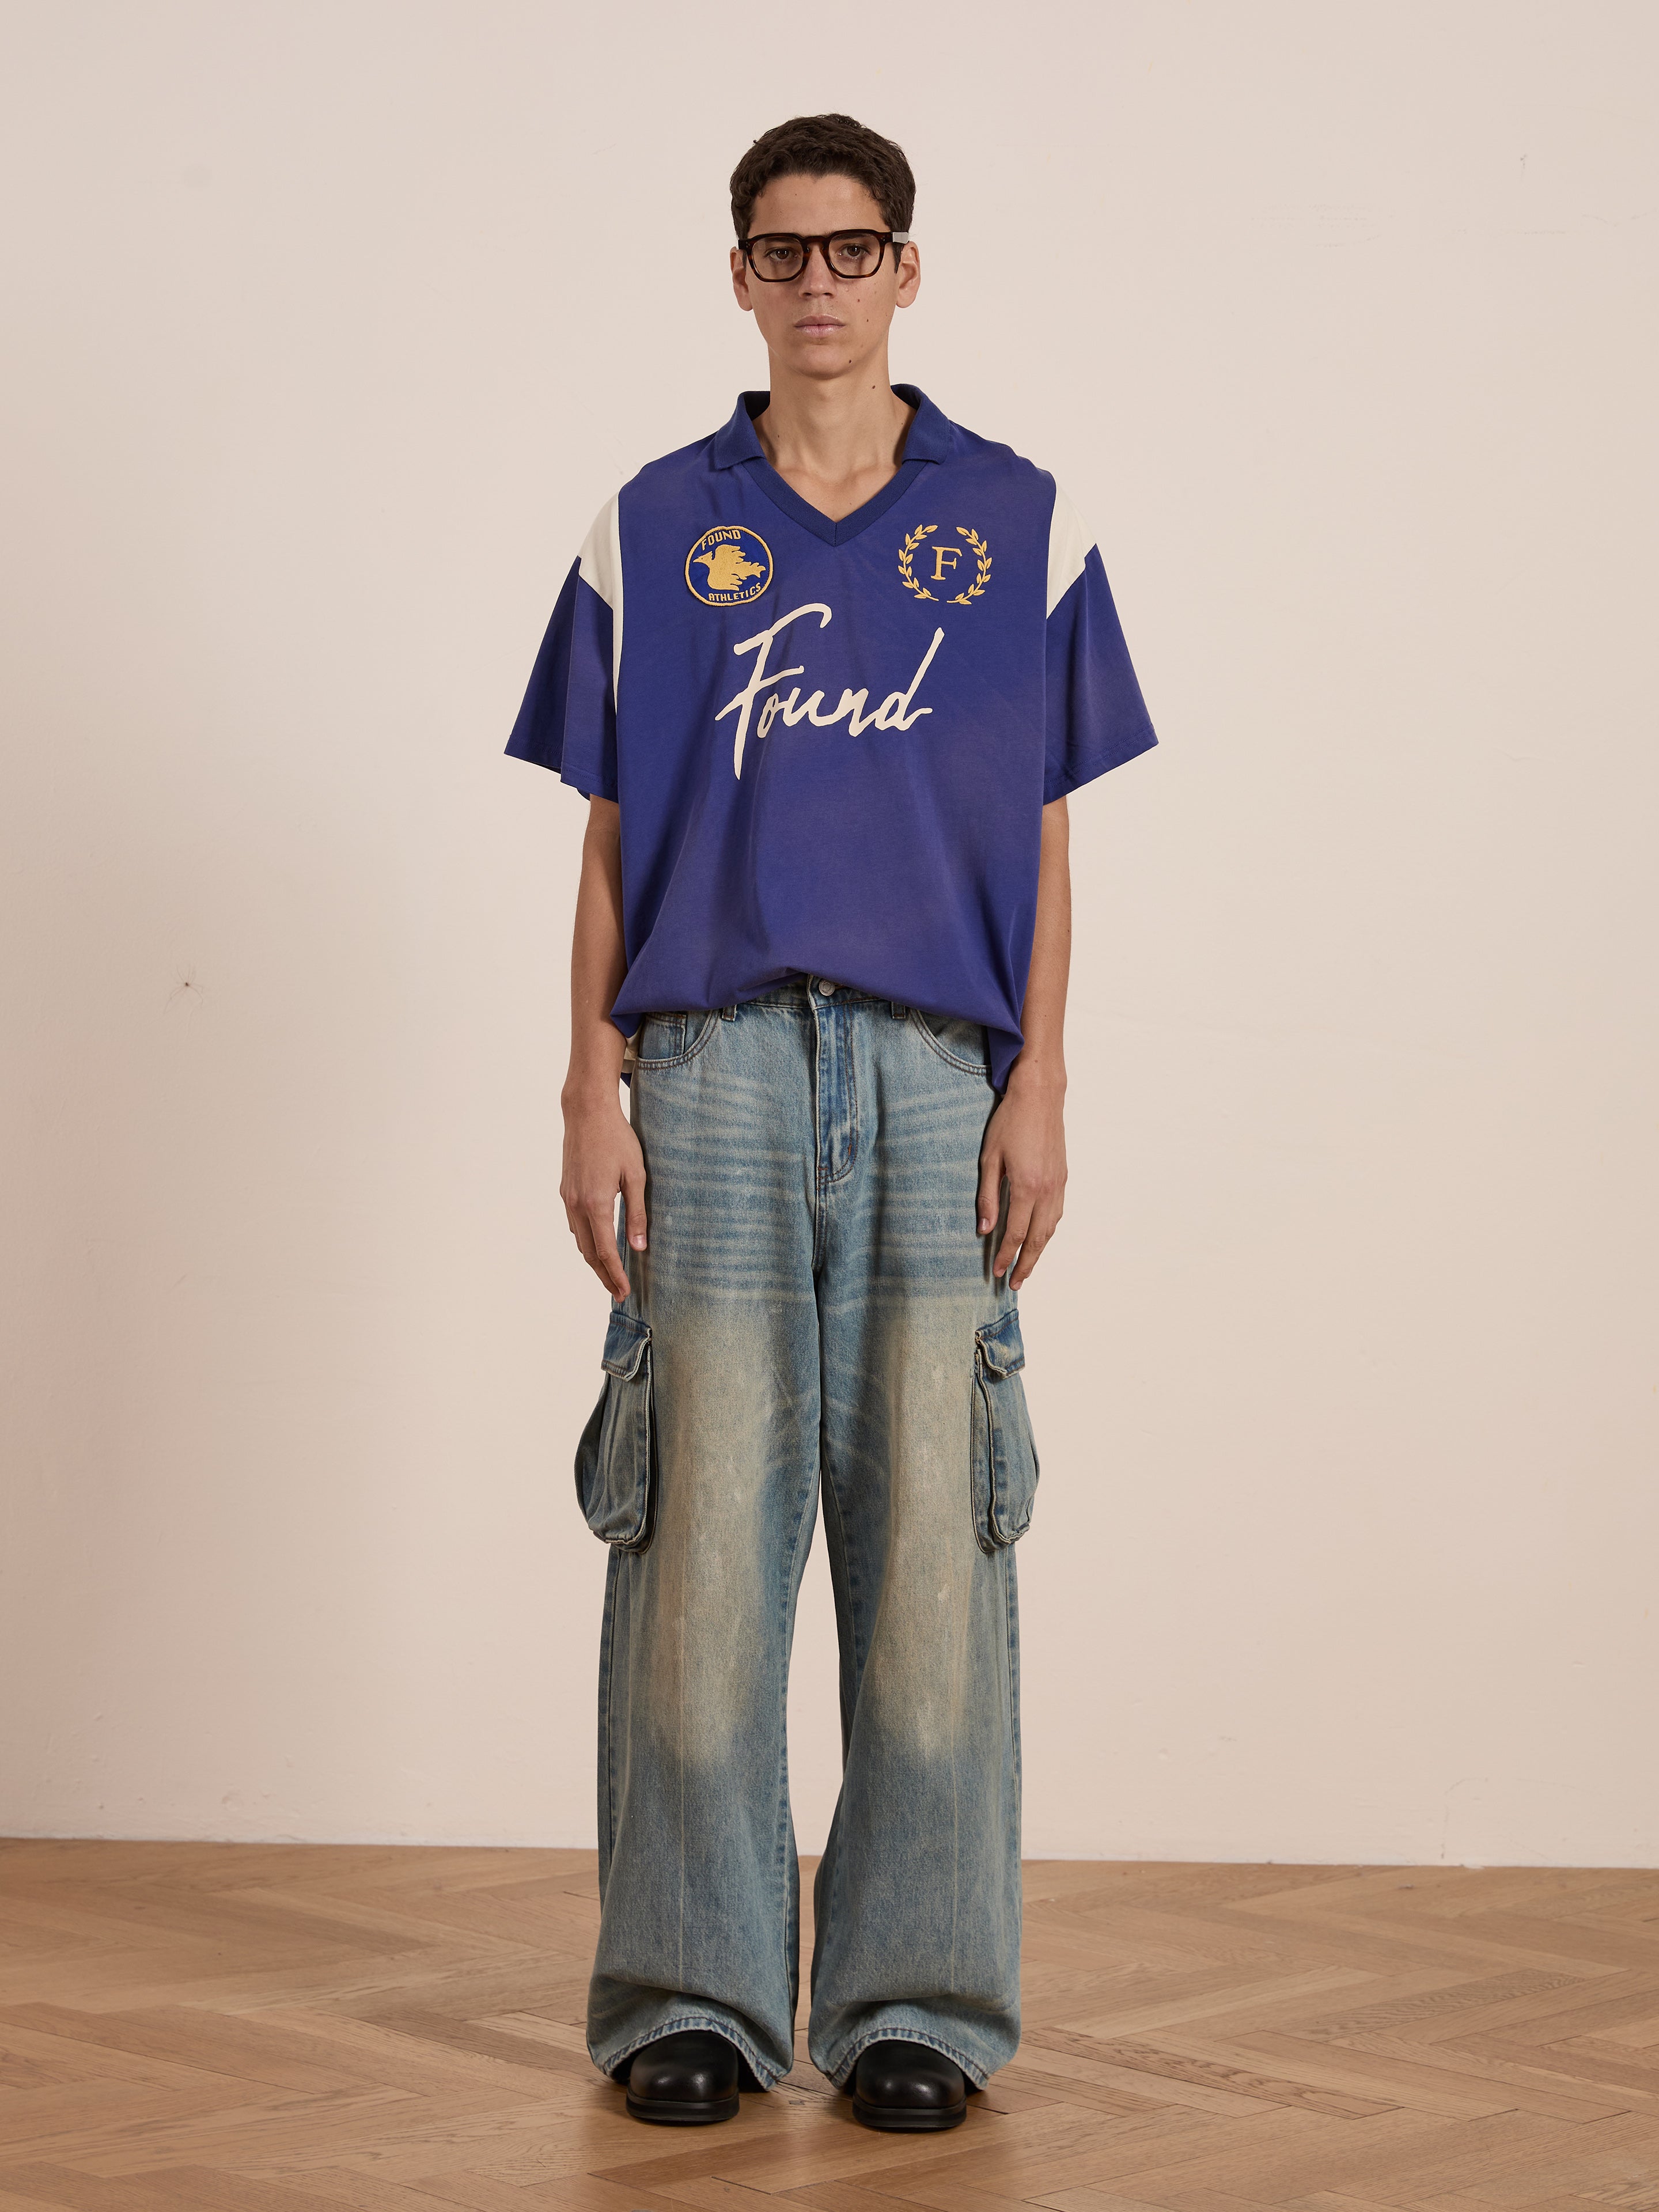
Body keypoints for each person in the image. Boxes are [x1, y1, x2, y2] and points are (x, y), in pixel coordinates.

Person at [503, 112, 1157, 2133]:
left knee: (936, 1558)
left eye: (852, 251)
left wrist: (1040, 1078)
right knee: (698, 1546)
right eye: (782, 254)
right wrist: (585, 1079)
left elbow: (1044, 838)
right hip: (704, 1074)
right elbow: (613, 833)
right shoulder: (650, 522)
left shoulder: (1024, 524)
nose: (818, 287)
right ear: (738, 276)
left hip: (933, 1070)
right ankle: (688, 1994)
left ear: (907, 271)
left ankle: (918, 2006)